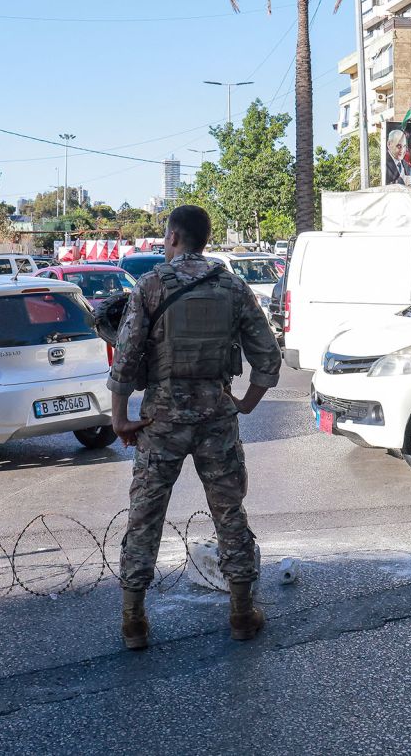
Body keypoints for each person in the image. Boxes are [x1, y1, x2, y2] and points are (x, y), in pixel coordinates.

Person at [108, 205, 281, 650]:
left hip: (160, 420)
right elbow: (268, 357)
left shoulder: (149, 285)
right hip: (216, 420)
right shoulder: (232, 285)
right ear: (205, 240)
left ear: (173, 237)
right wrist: (244, 403)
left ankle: (134, 622)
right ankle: (242, 614)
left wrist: (120, 418)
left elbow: (125, 359)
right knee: (230, 514)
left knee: (145, 517)